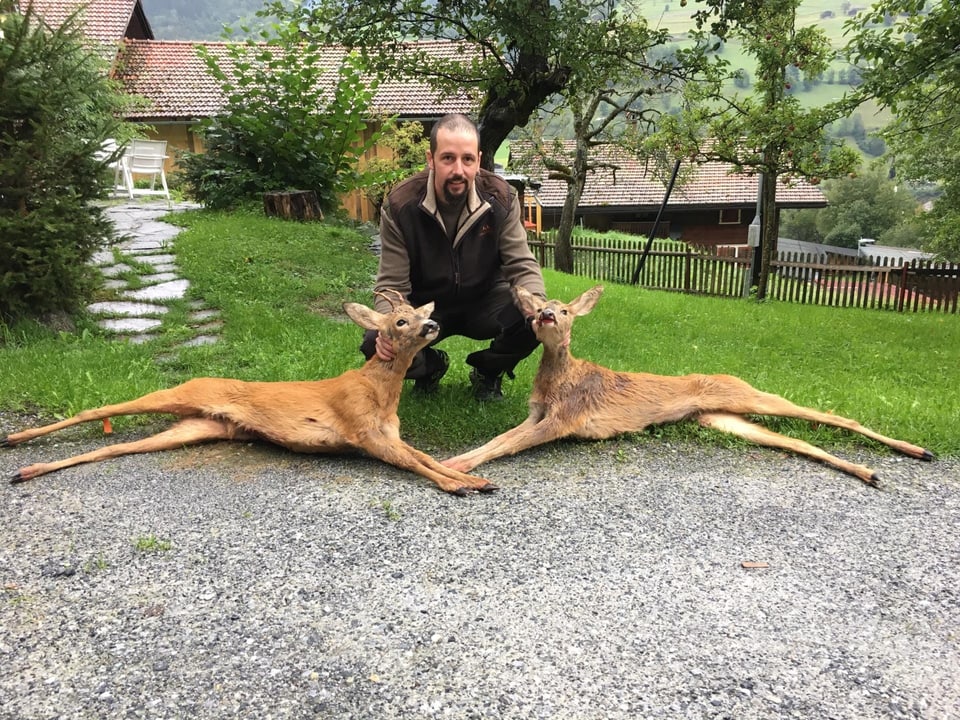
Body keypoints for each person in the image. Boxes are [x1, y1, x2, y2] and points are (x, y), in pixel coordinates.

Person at [360, 113, 546, 401]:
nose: (459, 170)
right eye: (448, 158)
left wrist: (539, 309)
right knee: (376, 343)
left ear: (479, 160)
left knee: (534, 322)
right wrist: (388, 327)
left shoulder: (502, 199)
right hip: (427, 307)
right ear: (430, 159)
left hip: (486, 301)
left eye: (468, 159)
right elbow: (390, 286)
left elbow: (521, 265)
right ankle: (430, 366)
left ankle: (488, 370)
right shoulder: (400, 205)